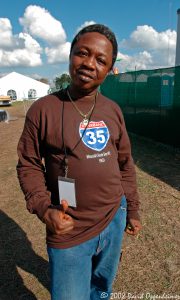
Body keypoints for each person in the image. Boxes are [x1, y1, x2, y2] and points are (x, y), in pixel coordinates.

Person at [17, 24, 142, 300]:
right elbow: (27, 163)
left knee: (100, 288)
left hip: (113, 217)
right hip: (68, 226)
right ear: (70, 55)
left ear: (110, 70)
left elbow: (124, 163)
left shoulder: (113, 110)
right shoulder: (44, 109)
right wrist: (42, 208)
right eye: (82, 53)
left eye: (101, 60)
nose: (89, 63)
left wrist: (131, 209)